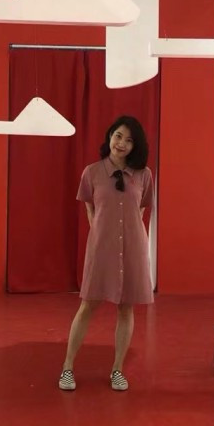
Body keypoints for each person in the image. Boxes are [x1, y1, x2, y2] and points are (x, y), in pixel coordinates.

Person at [59, 115, 154, 392]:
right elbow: (90, 209)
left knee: (126, 308)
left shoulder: (144, 175)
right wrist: (102, 236)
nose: (121, 143)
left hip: (133, 248)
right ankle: (67, 367)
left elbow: (141, 209)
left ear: (135, 146)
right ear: (109, 136)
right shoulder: (91, 173)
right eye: (118, 136)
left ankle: (117, 369)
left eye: (129, 140)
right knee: (87, 305)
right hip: (102, 248)